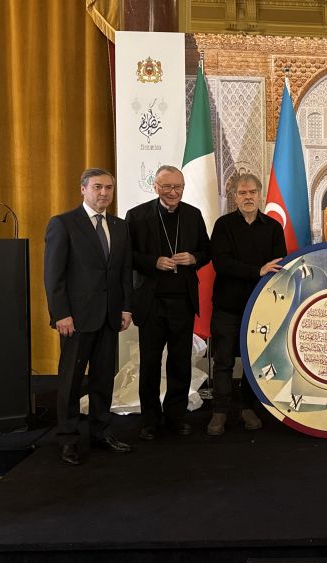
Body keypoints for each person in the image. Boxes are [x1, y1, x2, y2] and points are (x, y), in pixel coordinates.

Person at [44, 168, 134, 465]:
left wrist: (125, 308)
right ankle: (68, 439)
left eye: (108, 188)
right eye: (97, 187)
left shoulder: (119, 226)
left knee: (103, 379)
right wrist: (61, 314)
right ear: (83, 189)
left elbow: (124, 272)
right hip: (76, 319)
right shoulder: (63, 224)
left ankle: (100, 432)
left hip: (109, 317)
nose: (104, 193)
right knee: (70, 381)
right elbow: (53, 275)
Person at [125, 165, 210, 441]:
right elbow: (127, 256)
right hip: (151, 302)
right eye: (167, 187)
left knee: (180, 362)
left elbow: (206, 251)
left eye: (178, 187)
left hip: (182, 302)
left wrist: (194, 258)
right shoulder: (137, 216)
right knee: (150, 363)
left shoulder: (193, 215)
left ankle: (177, 416)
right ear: (156, 187)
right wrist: (153, 262)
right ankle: (150, 419)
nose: (173, 192)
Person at [207, 173, 287, 435]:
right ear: (235, 197)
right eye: (242, 193)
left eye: (252, 192)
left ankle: (247, 408)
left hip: (261, 308)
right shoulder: (223, 225)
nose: (248, 197)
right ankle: (219, 411)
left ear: (260, 194)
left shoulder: (273, 227)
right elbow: (221, 263)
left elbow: (279, 265)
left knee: (255, 361)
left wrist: (263, 271)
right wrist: (257, 271)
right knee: (223, 360)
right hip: (227, 307)